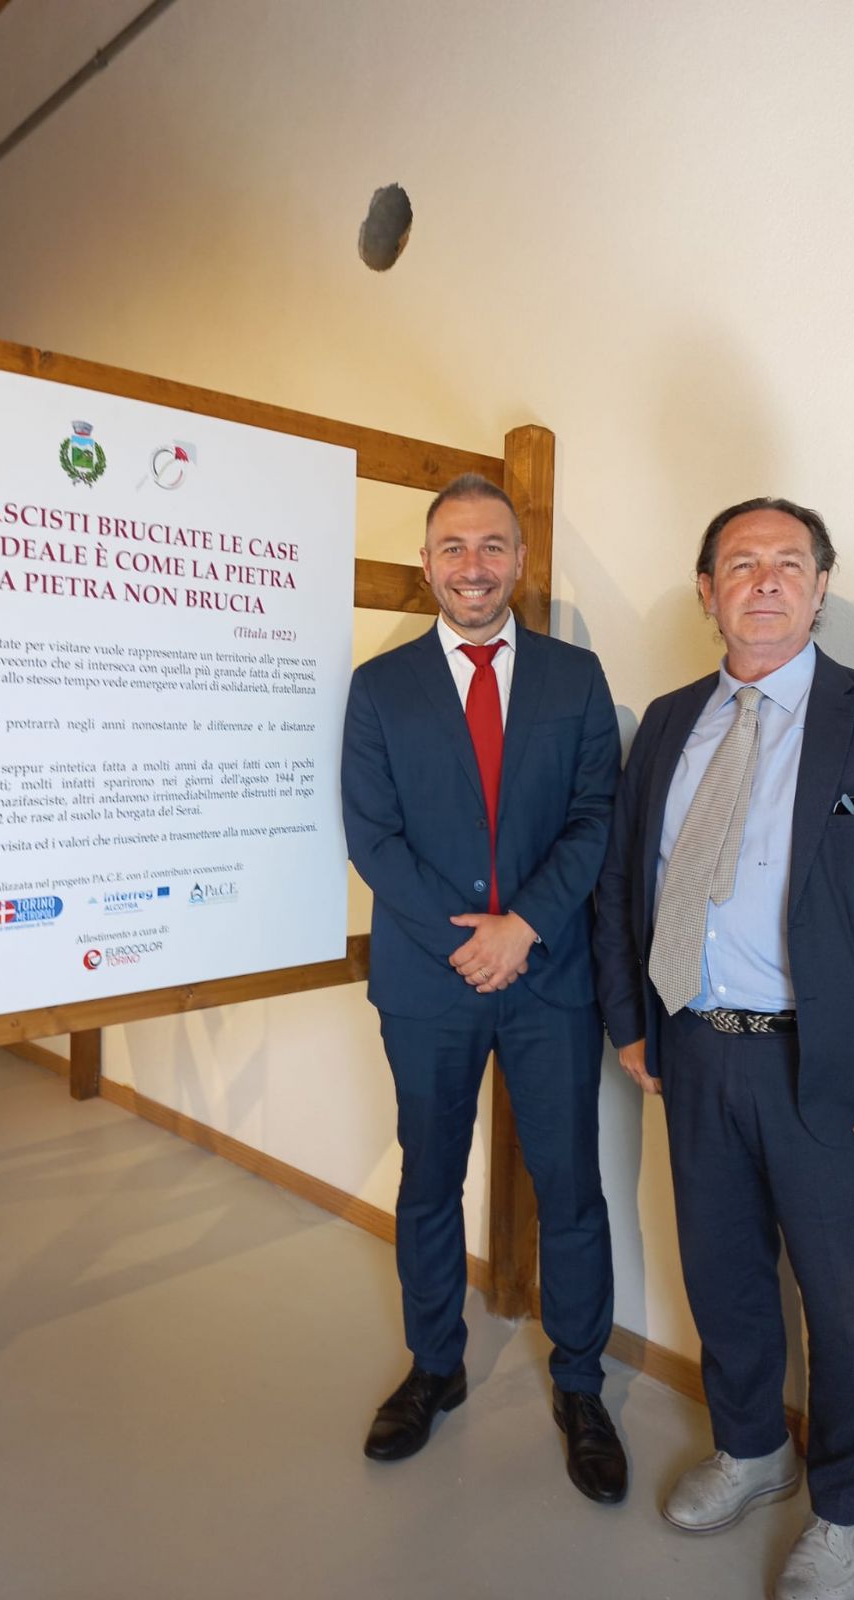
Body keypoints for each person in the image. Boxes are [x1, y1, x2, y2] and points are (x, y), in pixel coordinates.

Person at [594, 497, 854, 1599]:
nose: (764, 580)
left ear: (819, 588)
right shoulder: (671, 721)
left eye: (788, 563)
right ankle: (753, 1448)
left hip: (834, 1070)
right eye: (740, 563)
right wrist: (631, 1022)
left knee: (849, 1309)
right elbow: (625, 882)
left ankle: (846, 1510)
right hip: (696, 1048)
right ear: (706, 591)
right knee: (722, 1272)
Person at [340, 474, 626, 1503]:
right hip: (431, 980)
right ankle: (436, 1367)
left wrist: (525, 927)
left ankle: (581, 1385)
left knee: (571, 1187)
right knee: (429, 1180)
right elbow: (372, 834)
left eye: (493, 546)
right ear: (428, 564)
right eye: (454, 547)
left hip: (549, 978)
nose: (474, 565)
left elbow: (595, 815)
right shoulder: (380, 687)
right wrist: (467, 944)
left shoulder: (575, 677)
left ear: (519, 560)